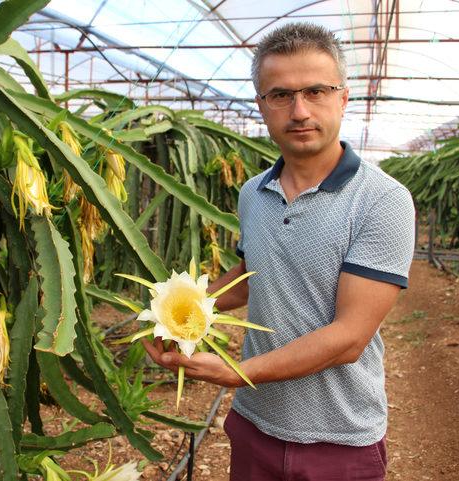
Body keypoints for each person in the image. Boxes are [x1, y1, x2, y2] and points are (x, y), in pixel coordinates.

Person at [142, 22, 415, 481]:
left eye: (316, 91)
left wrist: (236, 372)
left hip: (339, 437)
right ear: (262, 106)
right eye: (281, 95)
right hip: (254, 425)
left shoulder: (382, 200)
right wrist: (176, 312)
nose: (300, 110)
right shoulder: (254, 192)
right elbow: (251, 273)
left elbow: (349, 338)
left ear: (343, 98)